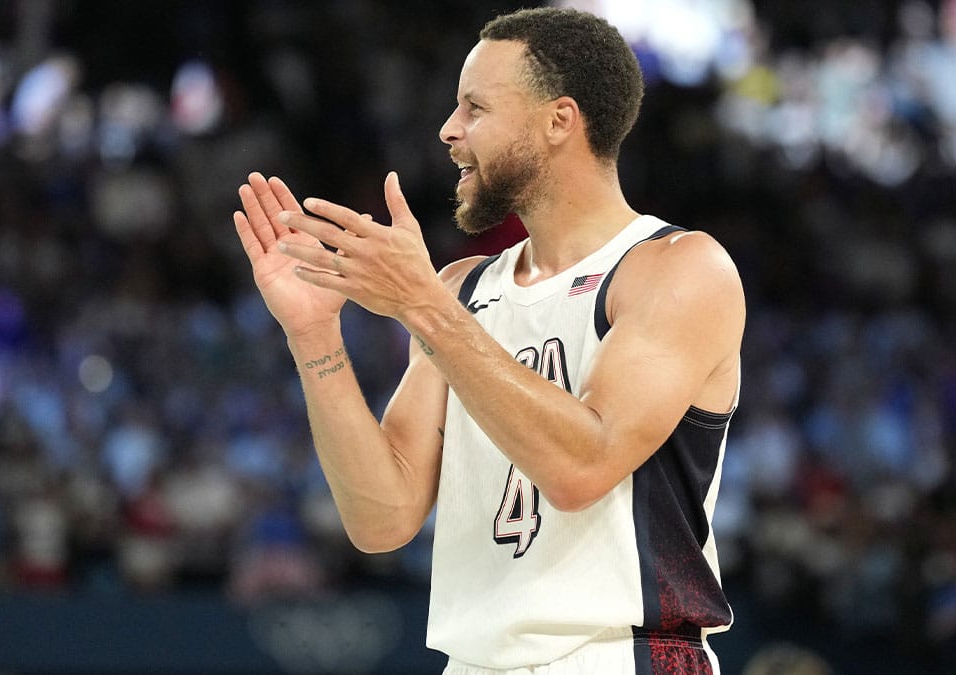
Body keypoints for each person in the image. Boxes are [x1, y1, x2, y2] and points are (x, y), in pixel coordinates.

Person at [233, 7, 744, 674]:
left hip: (621, 654)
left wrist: (423, 307)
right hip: (476, 660)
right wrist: (313, 333)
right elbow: (382, 517)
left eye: (475, 107)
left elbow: (580, 468)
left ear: (560, 120)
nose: (449, 130)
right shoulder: (462, 290)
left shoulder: (676, 267)